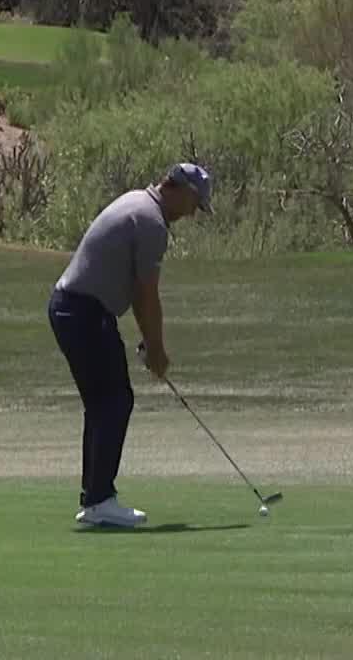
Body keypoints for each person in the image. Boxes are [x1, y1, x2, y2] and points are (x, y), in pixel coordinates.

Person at [48, 162, 213, 527]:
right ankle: (99, 500)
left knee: (104, 402)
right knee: (114, 400)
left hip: (75, 309)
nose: (191, 213)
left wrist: (151, 342)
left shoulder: (138, 203)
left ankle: (95, 499)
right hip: (82, 311)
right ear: (179, 189)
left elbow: (137, 293)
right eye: (193, 203)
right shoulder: (152, 222)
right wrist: (156, 348)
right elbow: (145, 294)